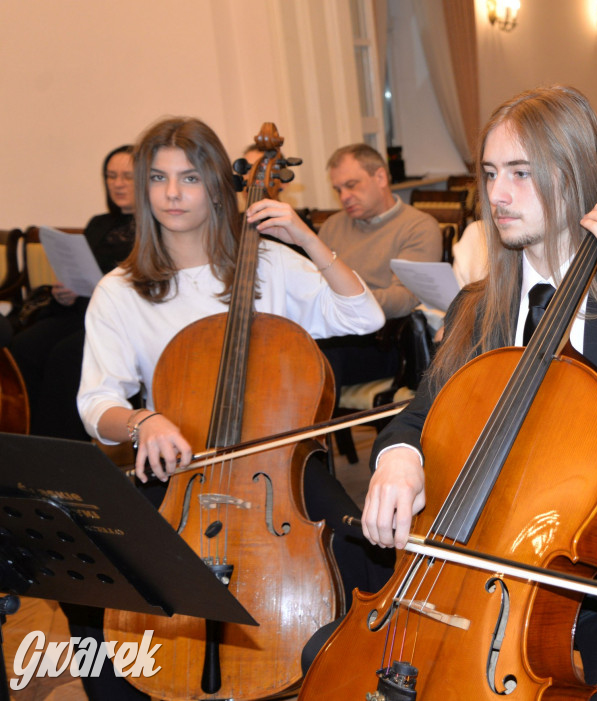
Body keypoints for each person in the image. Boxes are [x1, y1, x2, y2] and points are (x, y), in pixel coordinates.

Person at [362, 85, 597, 697]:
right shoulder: (476, 308)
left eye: (520, 172)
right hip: (488, 574)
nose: (497, 194)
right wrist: (399, 457)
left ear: (573, 176)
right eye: (489, 173)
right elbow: (423, 415)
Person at [76, 117, 391, 698]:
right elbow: (97, 403)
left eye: (190, 177)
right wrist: (144, 420)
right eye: (159, 178)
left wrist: (308, 240)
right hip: (176, 473)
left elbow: (363, 317)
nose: (172, 193)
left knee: (363, 557)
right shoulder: (120, 290)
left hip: (276, 472)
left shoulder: (268, 263)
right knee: (98, 599)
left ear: (219, 186)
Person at [10, 145, 136, 441]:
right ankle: (27, 439)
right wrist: (64, 290)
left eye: (127, 176)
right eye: (110, 176)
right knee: (24, 346)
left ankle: (62, 448)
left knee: (65, 355)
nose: (117, 183)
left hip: (118, 316)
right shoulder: (98, 223)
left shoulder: (155, 224)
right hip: (79, 308)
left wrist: (101, 286)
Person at [315, 143, 442, 386]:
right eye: (338, 190)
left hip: (383, 342)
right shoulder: (333, 225)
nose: (344, 197)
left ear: (381, 177)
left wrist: (349, 302)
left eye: (351, 185)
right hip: (333, 332)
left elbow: (405, 298)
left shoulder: (419, 226)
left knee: (316, 361)